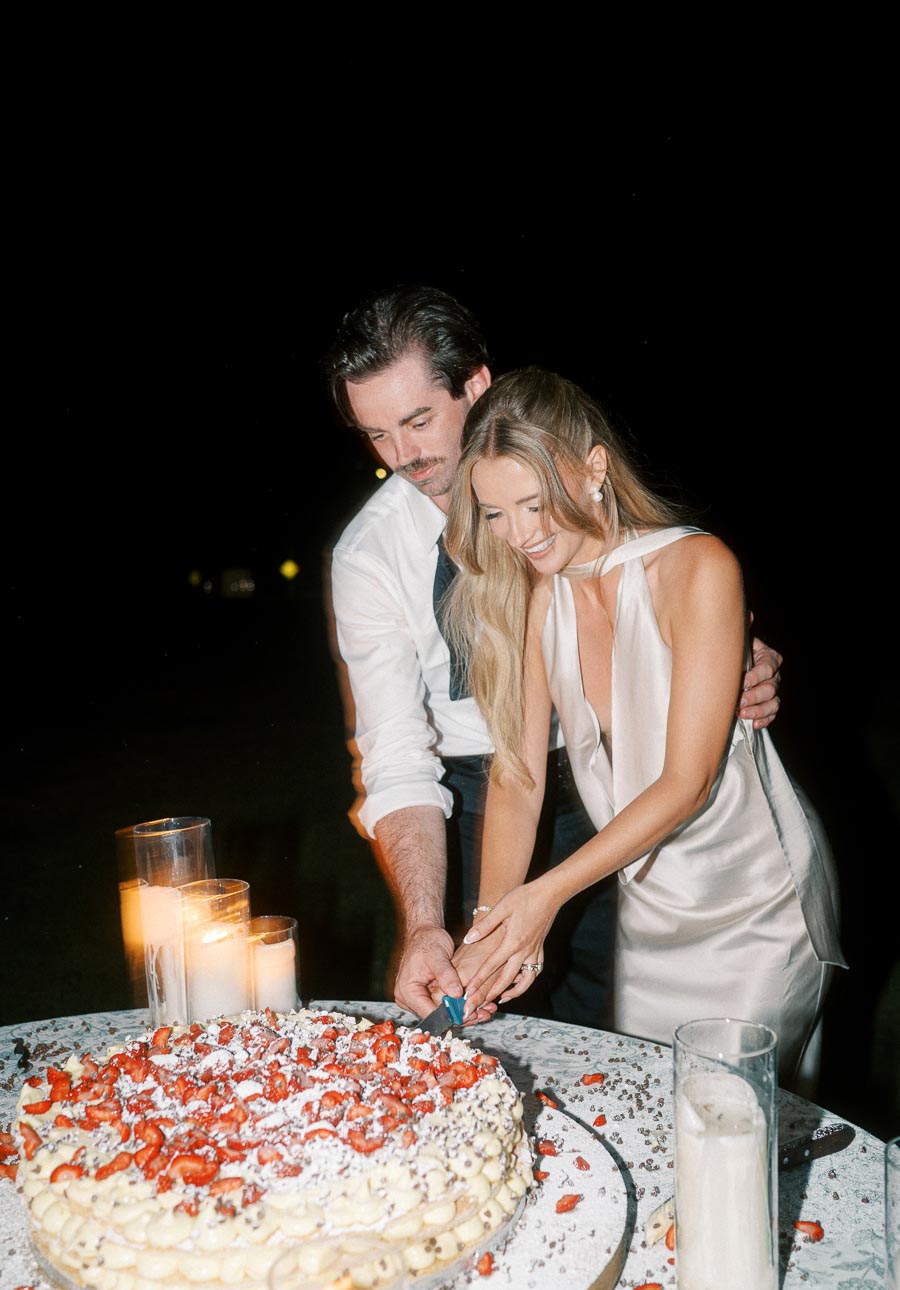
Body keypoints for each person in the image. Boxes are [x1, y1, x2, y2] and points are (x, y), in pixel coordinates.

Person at [325, 286, 784, 1027]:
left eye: (417, 421)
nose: (402, 456)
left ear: (476, 386)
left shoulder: (568, 482)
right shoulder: (370, 556)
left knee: (622, 1021)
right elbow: (404, 758)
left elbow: (665, 592)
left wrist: (728, 659)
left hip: (638, 789)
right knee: (492, 1023)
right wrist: (451, 921)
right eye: (376, 435)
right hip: (488, 797)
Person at [443, 367, 846, 1084]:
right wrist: (491, 927)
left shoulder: (697, 566)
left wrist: (545, 897)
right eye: (496, 513)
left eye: (535, 503)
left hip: (755, 908)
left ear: (594, 466)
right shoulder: (545, 599)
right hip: (651, 914)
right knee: (654, 1125)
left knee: (726, 1116)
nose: (520, 536)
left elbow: (687, 783)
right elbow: (518, 774)